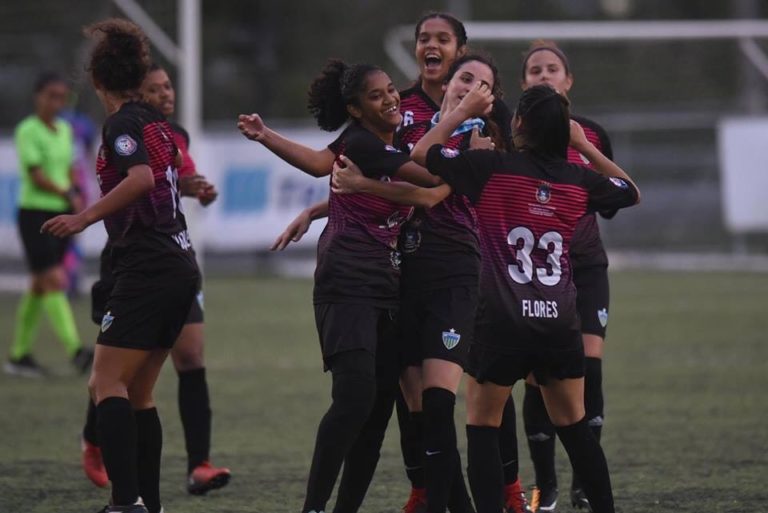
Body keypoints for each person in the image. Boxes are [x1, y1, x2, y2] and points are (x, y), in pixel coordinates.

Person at [401, 82, 639, 513]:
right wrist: (585, 147)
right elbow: (630, 192)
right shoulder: (579, 178)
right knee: (576, 427)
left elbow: (421, 153)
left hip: (502, 322)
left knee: (483, 425)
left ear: (519, 124)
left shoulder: (490, 167)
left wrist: (459, 113)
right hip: (558, 322)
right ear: (563, 133)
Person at [238, 59, 441, 513]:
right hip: (347, 281)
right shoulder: (364, 143)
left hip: (386, 284)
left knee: (374, 413)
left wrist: (314, 211)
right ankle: (313, 507)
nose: (390, 98)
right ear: (355, 108)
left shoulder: (382, 145)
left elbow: (352, 185)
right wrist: (265, 134)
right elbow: (427, 183)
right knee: (354, 400)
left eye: (391, 90)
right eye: (376, 96)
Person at [331, 54, 524, 513]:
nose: (469, 86)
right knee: (419, 415)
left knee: (440, 405)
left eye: (482, 84)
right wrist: (320, 208)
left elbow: (430, 192)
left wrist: (363, 186)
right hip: (403, 277)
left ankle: (501, 492)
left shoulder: (482, 141)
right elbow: (392, 176)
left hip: (455, 276)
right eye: (464, 78)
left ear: (491, 99)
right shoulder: (414, 130)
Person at [42, 18, 201, 513]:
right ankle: (145, 503)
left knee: (103, 382)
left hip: (148, 267)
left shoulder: (123, 124)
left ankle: (124, 501)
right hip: (178, 264)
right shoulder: (156, 123)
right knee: (138, 394)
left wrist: (83, 218)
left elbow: (140, 180)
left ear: (97, 80)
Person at [80, 62, 229, 496]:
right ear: (135, 91)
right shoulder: (137, 127)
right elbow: (151, 180)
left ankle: (150, 489)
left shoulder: (159, 130)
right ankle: (102, 449)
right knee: (125, 381)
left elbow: (154, 178)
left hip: (159, 262)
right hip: (150, 261)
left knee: (149, 369)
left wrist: (84, 217)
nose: (166, 94)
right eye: (155, 88)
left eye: (169, 86)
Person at [516, 41, 617, 513]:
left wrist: (580, 149)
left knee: (588, 368)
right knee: (537, 379)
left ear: (568, 80)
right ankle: (544, 484)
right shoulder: (514, 140)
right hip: (536, 275)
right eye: (534, 70)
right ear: (523, 84)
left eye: (552, 68)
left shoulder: (591, 134)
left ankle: (583, 478)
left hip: (585, 266)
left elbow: (615, 198)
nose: (543, 75)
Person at [5, 71, 93, 378]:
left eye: (61, 97)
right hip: (35, 215)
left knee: (39, 285)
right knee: (55, 280)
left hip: (61, 214)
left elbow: (70, 167)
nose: (56, 102)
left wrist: (76, 193)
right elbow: (36, 175)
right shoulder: (28, 130)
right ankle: (76, 351)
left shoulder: (65, 130)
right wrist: (68, 192)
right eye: (51, 96)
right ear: (37, 96)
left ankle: (18, 355)